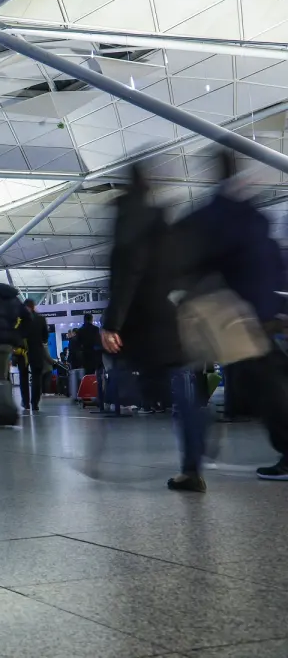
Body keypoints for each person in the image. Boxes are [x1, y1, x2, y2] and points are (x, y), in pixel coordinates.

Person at [175, 151, 288, 480]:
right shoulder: (255, 216)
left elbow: (196, 260)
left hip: (237, 317)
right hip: (262, 312)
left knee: (265, 386)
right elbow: (274, 264)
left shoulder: (216, 216)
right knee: (270, 380)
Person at [101, 163, 204, 491]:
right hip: (168, 317)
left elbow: (127, 276)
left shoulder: (128, 223)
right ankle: (192, 465)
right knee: (179, 389)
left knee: (134, 378)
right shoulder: (165, 223)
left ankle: (103, 449)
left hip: (141, 322)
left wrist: (111, 323)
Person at [20, 300, 50, 413]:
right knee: (37, 378)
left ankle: (25, 402)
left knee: (23, 376)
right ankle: (35, 403)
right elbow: (45, 337)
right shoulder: (41, 319)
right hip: (37, 351)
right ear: (33, 307)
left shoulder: (19, 319)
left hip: (22, 352)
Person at [77, 315, 104, 407]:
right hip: (95, 355)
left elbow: (78, 345)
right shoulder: (96, 329)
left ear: (84, 320)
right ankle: (97, 397)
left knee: (87, 376)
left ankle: (87, 397)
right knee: (96, 377)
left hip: (85, 356)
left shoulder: (80, 331)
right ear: (91, 319)